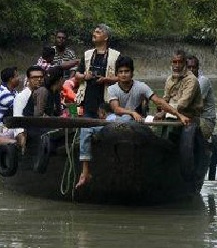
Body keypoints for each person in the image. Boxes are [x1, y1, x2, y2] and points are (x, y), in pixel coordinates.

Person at [76, 55, 189, 189]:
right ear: (117, 74)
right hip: (115, 124)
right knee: (86, 129)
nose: (124, 75)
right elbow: (116, 109)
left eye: (127, 71)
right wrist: (132, 112)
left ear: (132, 73)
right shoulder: (113, 89)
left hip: (133, 126)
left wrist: (179, 115)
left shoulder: (141, 86)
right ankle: (85, 172)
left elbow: (159, 101)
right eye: (121, 72)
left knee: (127, 120)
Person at [155, 50, 205, 136]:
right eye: (175, 62)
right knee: (154, 130)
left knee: (169, 132)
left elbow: (182, 104)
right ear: (171, 63)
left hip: (189, 117)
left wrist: (164, 111)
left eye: (180, 62)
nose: (177, 66)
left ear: (185, 63)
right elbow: (165, 98)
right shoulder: (169, 79)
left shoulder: (191, 80)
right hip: (170, 114)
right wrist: (161, 110)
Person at [74, 24, 120, 118]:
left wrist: (106, 79)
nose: (94, 34)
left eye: (98, 32)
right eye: (94, 32)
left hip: (107, 101)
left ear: (106, 37)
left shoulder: (115, 56)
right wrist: (85, 77)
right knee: (87, 128)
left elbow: (121, 77)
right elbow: (77, 75)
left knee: (105, 129)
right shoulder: (87, 54)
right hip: (88, 100)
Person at [75, 102, 119, 189]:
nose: (98, 116)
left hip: (111, 130)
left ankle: (84, 172)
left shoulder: (109, 121)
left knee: (85, 130)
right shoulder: (118, 117)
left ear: (102, 112)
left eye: (98, 113)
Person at [0, 67, 21, 146]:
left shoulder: (13, 92)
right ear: (10, 79)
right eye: (17, 76)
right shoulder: (4, 92)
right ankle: (1, 140)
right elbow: (18, 108)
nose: (19, 78)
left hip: (4, 124)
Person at [186, 55, 216, 137]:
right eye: (189, 67)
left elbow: (195, 106)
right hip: (191, 117)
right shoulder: (183, 81)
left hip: (205, 121)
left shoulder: (203, 81)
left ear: (198, 68)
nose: (191, 70)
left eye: (194, 67)